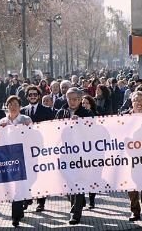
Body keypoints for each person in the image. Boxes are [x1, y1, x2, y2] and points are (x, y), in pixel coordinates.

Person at [55, 87, 93, 225]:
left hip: (81, 155)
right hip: (64, 154)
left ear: (80, 99)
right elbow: (54, 131)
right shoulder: (61, 112)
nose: (72, 102)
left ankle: (75, 213)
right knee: (68, 183)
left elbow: (92, 132)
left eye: (75, 99)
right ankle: (80, 200)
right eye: (69, 99)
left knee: (78, 182)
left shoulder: (87, 113)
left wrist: (81, 124)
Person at [0, 95, 32, 227]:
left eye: (15, 104)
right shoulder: (3, 120)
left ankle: (16, 215)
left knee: (19, 186)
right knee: (13, 186)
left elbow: (32, 137)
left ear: (20, 106)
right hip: (8, 158)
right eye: (10, 104)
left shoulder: (26, 119)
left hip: (22, 157)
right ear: (7, 106)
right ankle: (17, 214)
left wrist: (27, 128)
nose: (13, 107)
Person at [20, 85, 54, 212]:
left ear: (39, 96)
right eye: (30, 95)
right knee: (27, 174)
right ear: (27, 97)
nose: (33, 96)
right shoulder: (22, 111)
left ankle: (41, 202)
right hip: (26, 148)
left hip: (41, 147)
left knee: (40, 175)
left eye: (35, 94)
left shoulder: (47, 110)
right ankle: (27, 198)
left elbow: (51, 129)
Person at [123, 91, 142, 221]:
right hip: (130, 157)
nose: (139, 102)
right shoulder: (124, 117)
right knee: (131, 185)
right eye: (136, 100)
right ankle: (135, 211)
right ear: (132, 102)